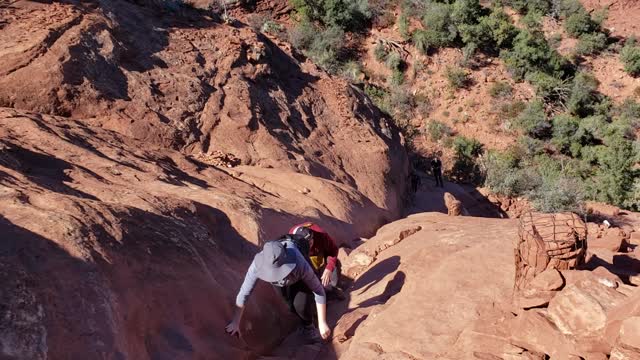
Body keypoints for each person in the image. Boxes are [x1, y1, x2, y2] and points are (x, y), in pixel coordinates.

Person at [226, 240, 331, 340]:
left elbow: (318, 290)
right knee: (289, 304)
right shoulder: (257, 266)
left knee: (301, 305)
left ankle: (309, 325)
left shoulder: (299, 263)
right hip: (285, 279)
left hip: (298, 276)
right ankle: (306, 314)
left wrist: (322, 323)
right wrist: (235, 322)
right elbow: (244, 293)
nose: (278, 276)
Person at [289, 223, 341, 293]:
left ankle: (333, 288)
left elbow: (333, 250)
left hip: (319, 251)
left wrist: (329, 268)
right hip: (305, 257)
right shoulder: (291, 241)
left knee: (333, 282)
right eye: (307, 244)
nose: (310, 244)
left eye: (310, 242)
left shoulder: (321, 235)